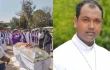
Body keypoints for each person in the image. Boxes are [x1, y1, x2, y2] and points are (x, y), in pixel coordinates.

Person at [53, 0, 110, 70]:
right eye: (86, 20)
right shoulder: (58, 57)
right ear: (75, 21)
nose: (91, 26)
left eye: (97, 21)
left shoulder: (106, 56)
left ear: (101, 24)